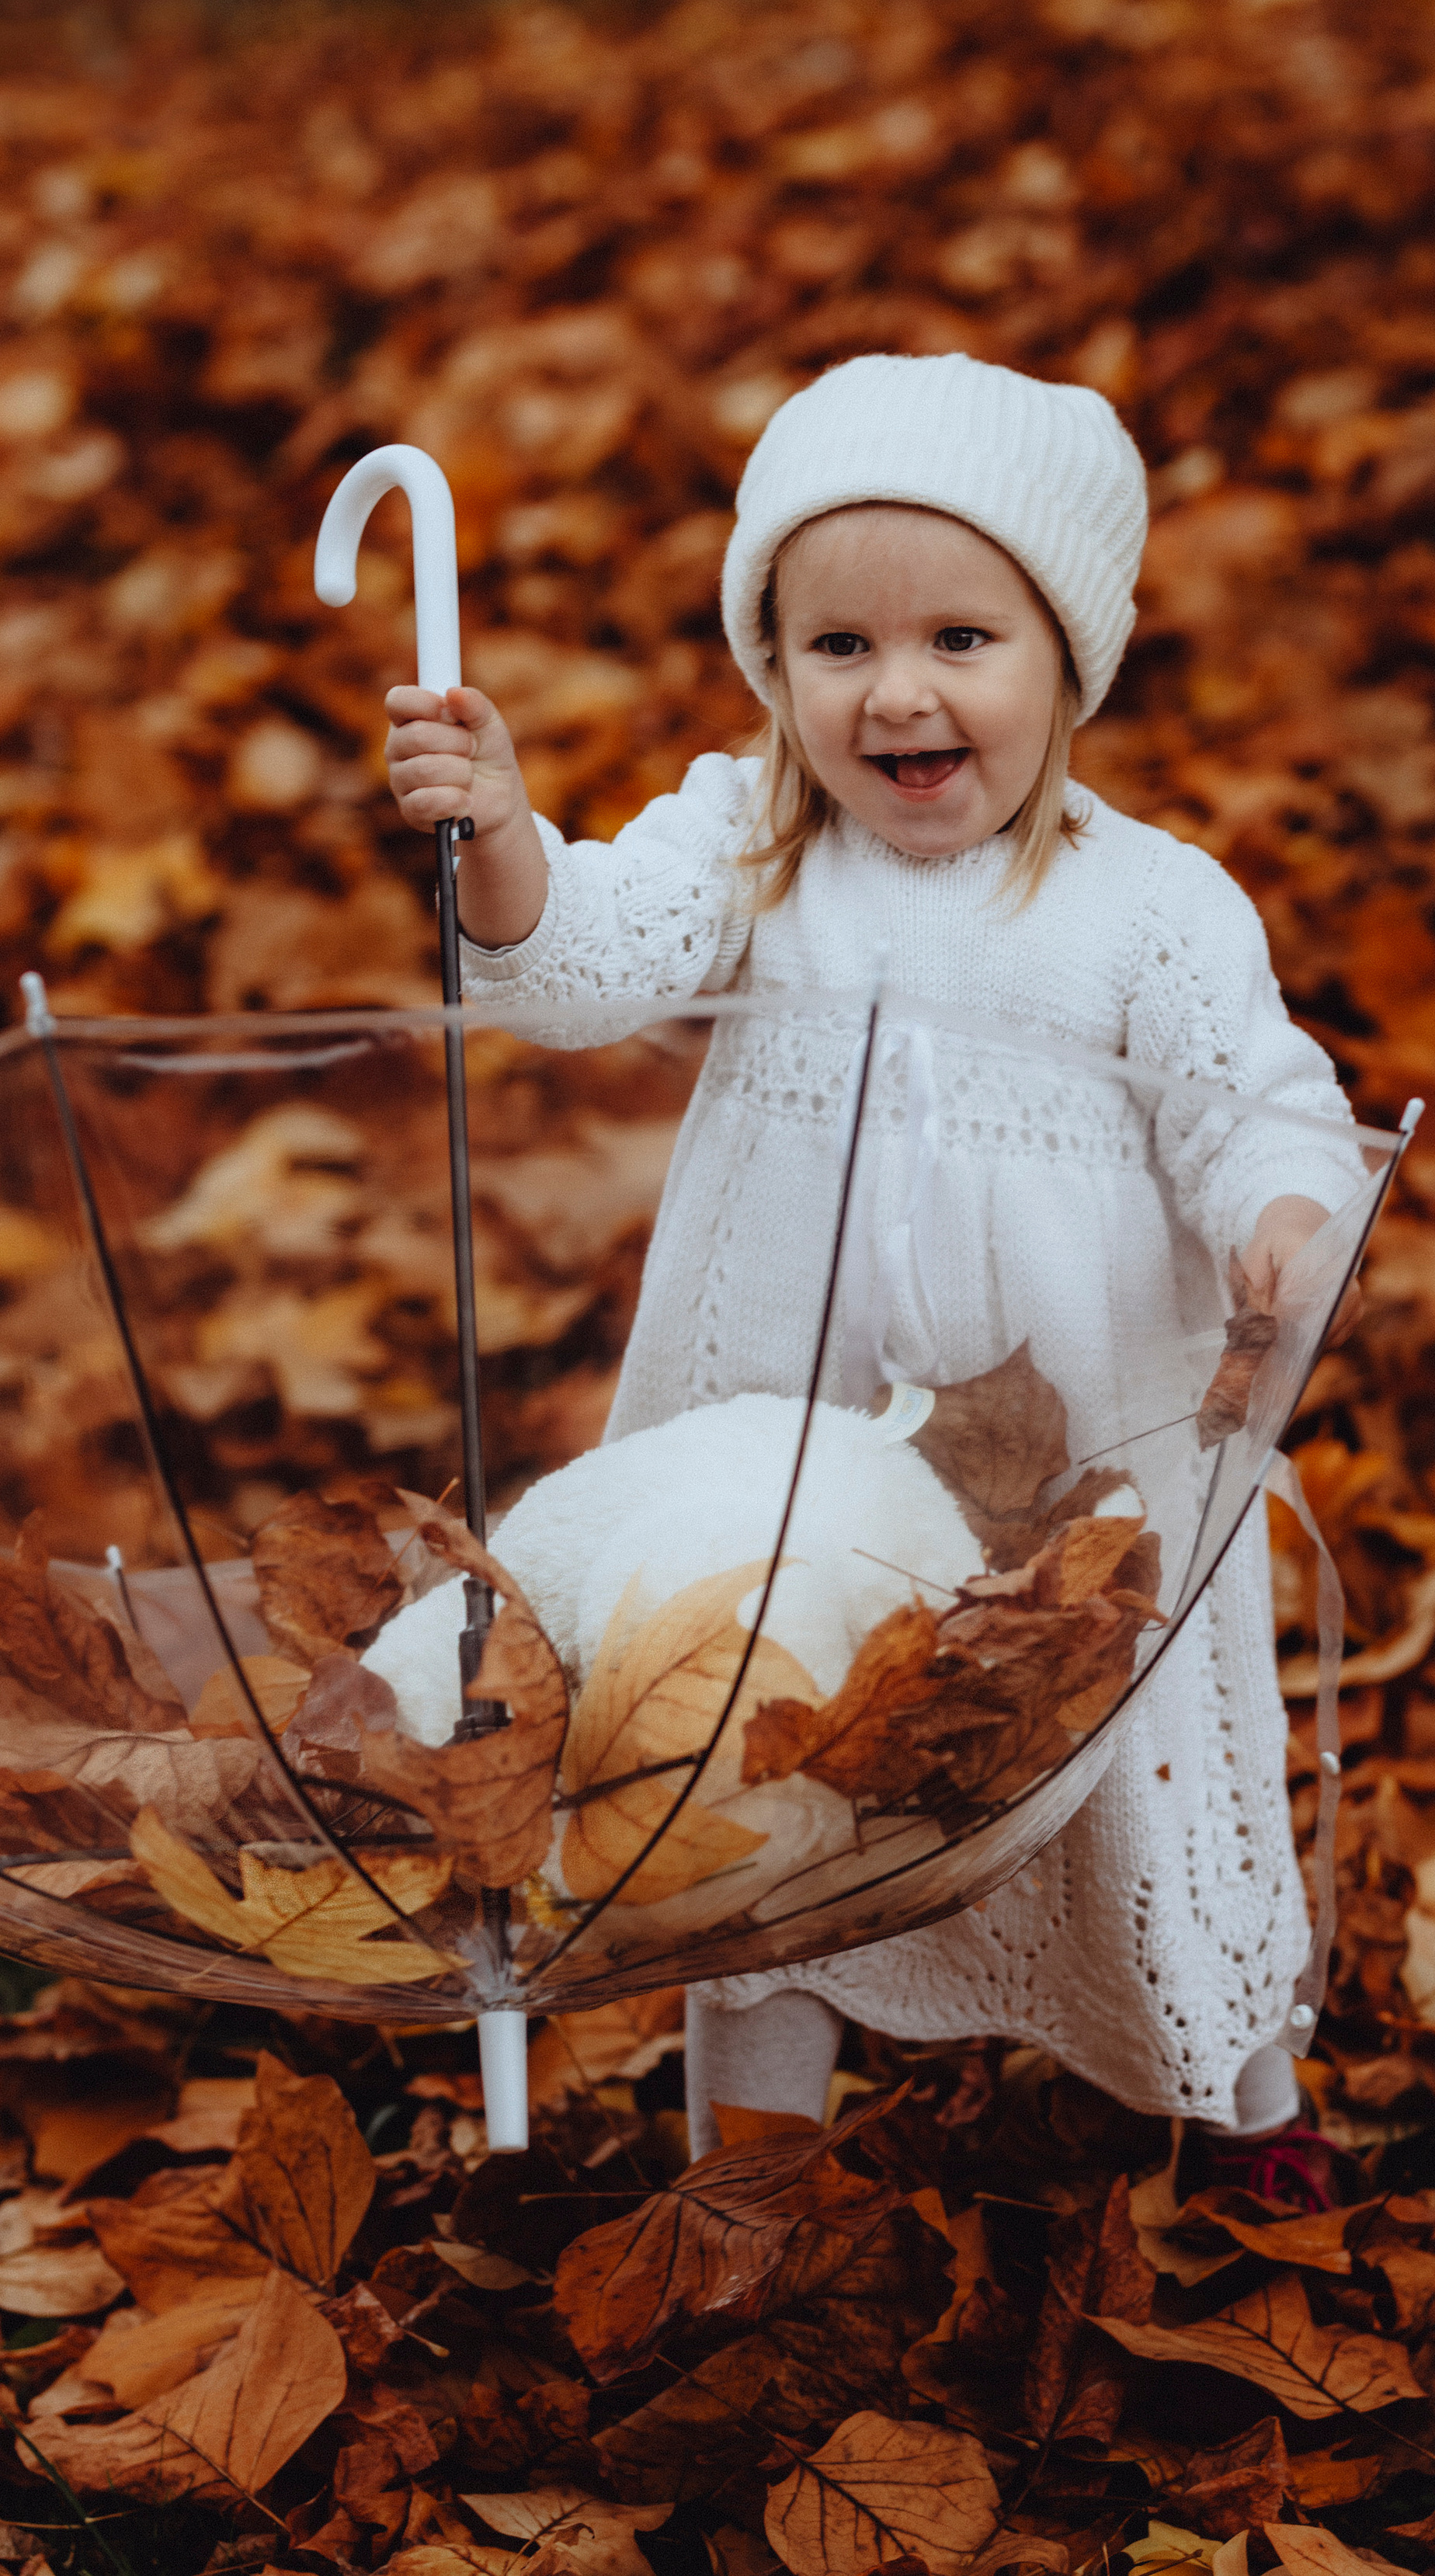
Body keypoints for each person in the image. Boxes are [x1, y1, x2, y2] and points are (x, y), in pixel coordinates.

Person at [382, 353, 1362, 2201]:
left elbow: (1258, 1099)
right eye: (833, 647)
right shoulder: (751, 850)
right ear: (773, 672)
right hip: (787, 1441)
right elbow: (582, 961)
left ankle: (1227, 2091)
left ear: (1065, 659)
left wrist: (1283, 1217)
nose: (895, 691)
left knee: (1121, 1757)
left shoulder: (1147, 907)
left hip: (1081, 1466)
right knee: (755, 1742)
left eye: (960, 639)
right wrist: (503, 836)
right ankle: (754, 2140)